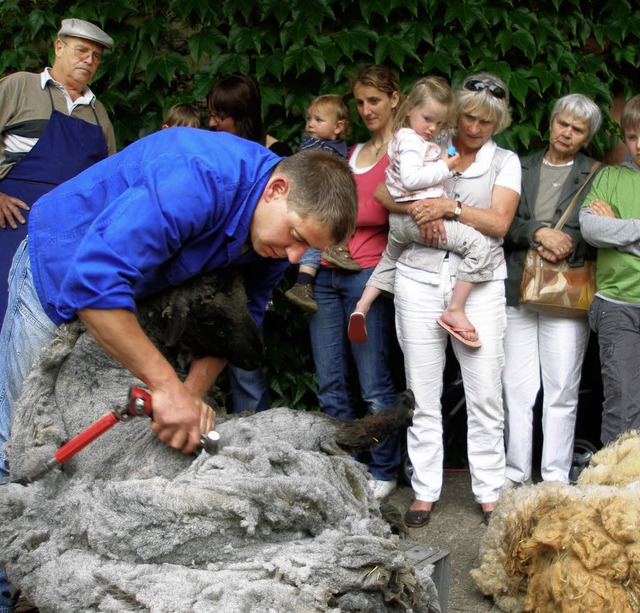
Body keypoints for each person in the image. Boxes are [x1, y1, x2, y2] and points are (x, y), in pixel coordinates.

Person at [377, 72, 521, 526]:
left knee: (484, 393)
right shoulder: (427, 140)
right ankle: (424, 490)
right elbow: (384, 191)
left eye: (486, 122)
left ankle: (489, 490)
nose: (475, 128)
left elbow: (499, 224)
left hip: (476, 285)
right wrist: (417, 207)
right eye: (470, 118)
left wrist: (451, 208)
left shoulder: (506, 161)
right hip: (418, 276)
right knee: (422, 390)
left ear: (497, 125)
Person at [308, 64, 403, 500]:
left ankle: (383, 469)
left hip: (368, 277)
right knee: (330, 383)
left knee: (374, 385)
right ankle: (346, 468)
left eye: (375, 101)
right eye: (361, 102)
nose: (366, 109)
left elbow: (391, 213)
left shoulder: (404, 152)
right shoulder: (351, 152)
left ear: (395, 99)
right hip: (327, 275)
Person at [502, 94, 603, 487]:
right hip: (517, 286)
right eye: (563, 123)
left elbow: (600, 228)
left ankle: (556, 478)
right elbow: (502, 220)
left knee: (562, 387)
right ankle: (514, 474)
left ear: (586, 137)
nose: (567, 133)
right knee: (516, 386)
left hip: (566, 289)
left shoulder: (596, 174)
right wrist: (536, 232)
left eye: (578, 129)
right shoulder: (519, 166)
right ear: (550, 123)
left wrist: (570, 240)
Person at [348, 76, 494, 348]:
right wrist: (446, 168)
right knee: (478, 247)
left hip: (400, 221)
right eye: (428, 119)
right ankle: (455, 310)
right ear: (409, 108)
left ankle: (361, 305)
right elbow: (412, 179)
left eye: (439, 123)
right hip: (416, 222)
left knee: (388, 260)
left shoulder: (409, 138)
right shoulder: (411, 141)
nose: (432, 128)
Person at [0, 18, 116, 325]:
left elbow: (109, 179)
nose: (89, 61)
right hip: (12, 224)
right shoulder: (19, 86)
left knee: (52, 325)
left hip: (69, 238)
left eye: (96, 57)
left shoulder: (98, 112)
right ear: (59, 47)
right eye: (82, 51)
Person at [206, 73, 293, 412]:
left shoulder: (278, 156)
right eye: (211, 114)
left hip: (254, 274)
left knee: (245, 367)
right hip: (210, 272)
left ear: (241, 115)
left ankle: (253, 435)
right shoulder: (213, 148)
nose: (213, 123)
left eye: (220, 116)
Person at [580, 93, 640, 446]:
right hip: (617, 306)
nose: (638, 144)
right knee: (622, 403)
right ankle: (615, 489)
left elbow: (608, 234)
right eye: (632, 136)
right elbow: (591, 229)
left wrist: (619, 229)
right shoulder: (609, 178)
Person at [285, 94, 355, 314]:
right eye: (309, 118)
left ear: (338, 126)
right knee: (314, 241)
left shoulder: (333, 146)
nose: (310, 124)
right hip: (313, 203)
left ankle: (333, 251)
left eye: (318, 120)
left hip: (323, 203)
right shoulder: (315, 148)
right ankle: (303, 283)